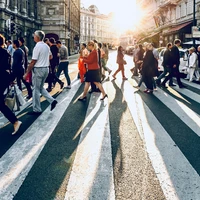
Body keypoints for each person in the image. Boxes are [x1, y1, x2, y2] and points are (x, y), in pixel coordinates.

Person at [23, 30, 58, 115]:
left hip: (38, 69)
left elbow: (33, 61)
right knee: (41, 87)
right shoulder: (46, 46)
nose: (33, 37)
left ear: (37, 37)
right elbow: (51, 56)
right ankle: (52, 101)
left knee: (35, 89)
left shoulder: (37, 47)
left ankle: (37, 109)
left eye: (34, 35)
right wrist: (43, 59)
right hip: (46, 69)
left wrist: (27, 72)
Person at [0, 34, 22, 135]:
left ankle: (15, 121)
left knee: (1, 104)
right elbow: (8, 67)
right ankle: (15, 121)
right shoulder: (7, 52)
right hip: (5, 79)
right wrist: (10, 79)